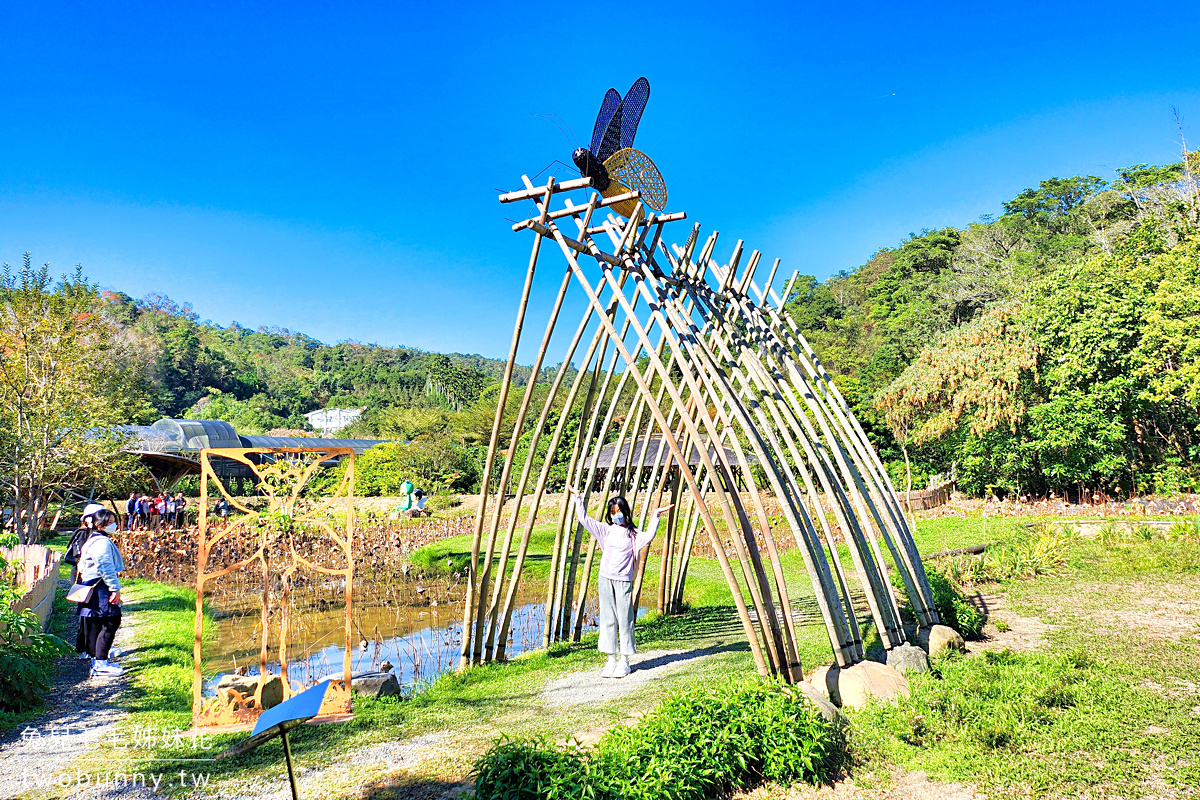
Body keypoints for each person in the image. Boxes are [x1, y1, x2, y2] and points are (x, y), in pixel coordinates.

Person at [566, 485, 672, 679]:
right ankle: (610, 660)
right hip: (605, 578)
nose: (616, 515)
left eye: (619, 511)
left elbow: (649, 536)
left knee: (625, 620)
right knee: (607, 619)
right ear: (610, 514)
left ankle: (624, 660)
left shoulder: (633, 534)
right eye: (613, 512)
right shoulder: (605, 531)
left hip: (623, 581)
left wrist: (655, 515)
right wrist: (578, 498)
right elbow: (584, 519)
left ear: (626, 512)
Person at [75, 508, 126, 676]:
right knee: (111, 621)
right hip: (100, 586)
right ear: (99, 524)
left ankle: (98, 659)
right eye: (110, 522)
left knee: (97, 622)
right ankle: (101, 664)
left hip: (92, 584)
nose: (114, 525)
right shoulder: (102, 542)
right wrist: (115, 588)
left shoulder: (92, 540)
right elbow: (105, 567)